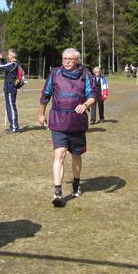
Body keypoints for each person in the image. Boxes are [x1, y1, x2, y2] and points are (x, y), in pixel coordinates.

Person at [39, 48, 96, 207]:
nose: (67, 61)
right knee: (60, 154)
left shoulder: (85, 75)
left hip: (77, 123)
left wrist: (85, 105)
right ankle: (57, 192)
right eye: (64, 58)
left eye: (70, 59)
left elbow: (93, 95)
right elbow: (45, 95)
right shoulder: (55, 74)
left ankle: (76, 183)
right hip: (58, 122)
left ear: (77, 60)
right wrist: (41, 115)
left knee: (76, 155)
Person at [0, 49, 21, 133]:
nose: (8, 56)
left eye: (9, 55)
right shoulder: (14, 64)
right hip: (9, 89)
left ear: (12, 56)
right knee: (9, 107)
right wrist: (2, 59)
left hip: (10, 89)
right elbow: (6, 65)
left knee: (11, 107)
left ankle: (15, 127)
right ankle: (12, 126)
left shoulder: (13, 64)